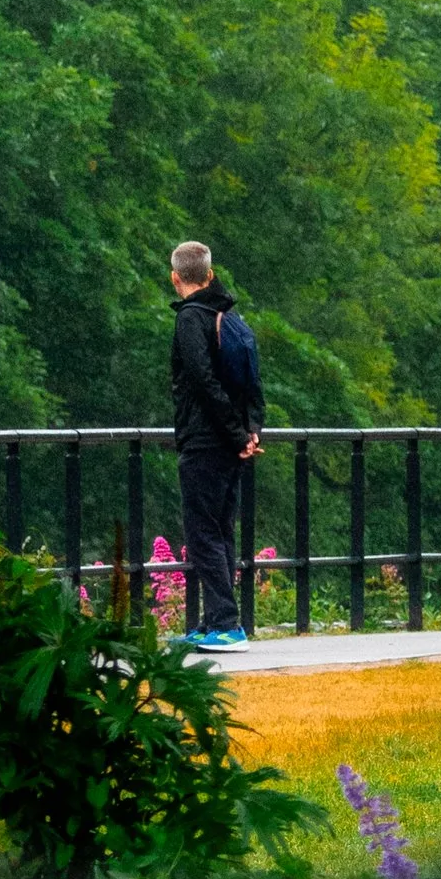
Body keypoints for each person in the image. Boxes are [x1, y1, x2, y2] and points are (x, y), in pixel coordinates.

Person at [167, 241, 262, 649]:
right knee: (221, 530)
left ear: (176, 278)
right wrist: (250, 430)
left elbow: (203, 383)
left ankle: (225, 622)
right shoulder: (230, 316)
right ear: (209, 274)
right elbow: (252, 383)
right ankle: (213, 623)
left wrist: (236, 435)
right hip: (230, 441)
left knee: (203, 532)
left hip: (205, 441)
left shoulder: (191, 319)